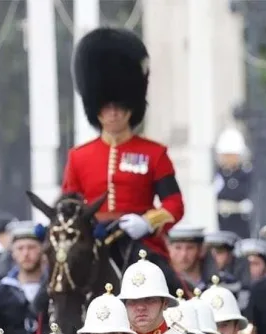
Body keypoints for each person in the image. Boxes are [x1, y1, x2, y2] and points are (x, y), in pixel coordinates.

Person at [63, 28, 184, 269]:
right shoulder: (78, 157)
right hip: (93, 240)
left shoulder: (154, 154)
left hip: (141, 242)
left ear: (133, 106)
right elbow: (68, 205)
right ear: (95, 107)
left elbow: (174, 203)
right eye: (106, 106)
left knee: (174, 288)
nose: (114, 113)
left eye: (120, 105)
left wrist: (148, 222)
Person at [0, 222, 44, 334]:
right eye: (20, 248)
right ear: (13, 253)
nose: (26, 253)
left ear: (41, 249)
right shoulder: (2, 291)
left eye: (31, 247)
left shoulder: (53, 289)